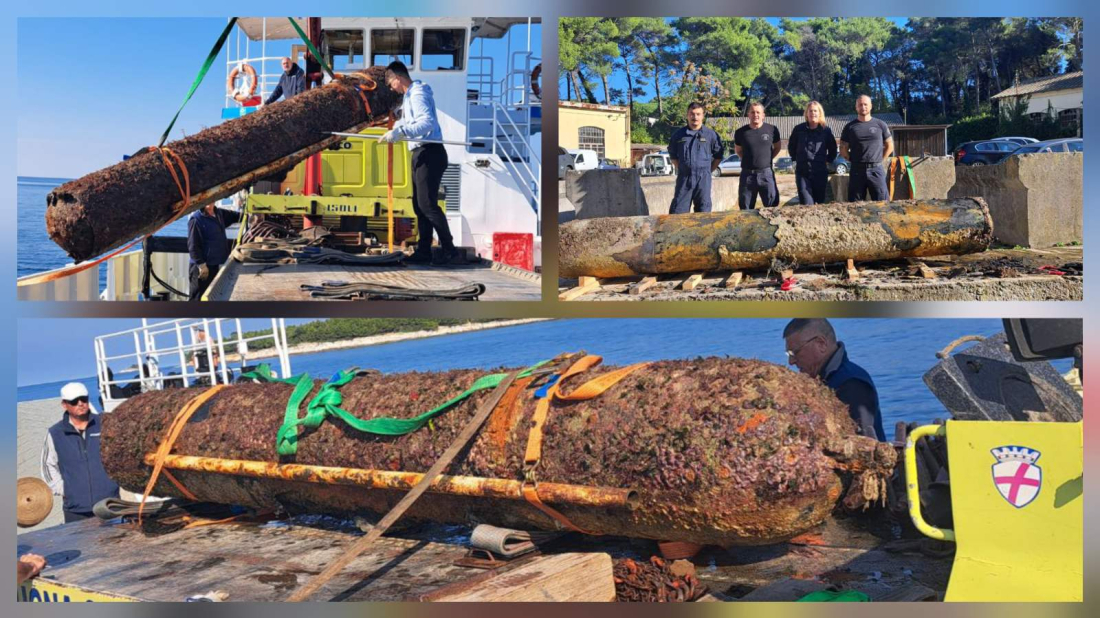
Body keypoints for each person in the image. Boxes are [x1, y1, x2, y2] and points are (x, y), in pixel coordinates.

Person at [380, 61, 457, 265]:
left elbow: (427, 122)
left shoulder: (417, 94)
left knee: (427, 205)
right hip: (420, 153)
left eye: (390, 83)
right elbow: (409, 120)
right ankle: (424, 251)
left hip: (430, 152)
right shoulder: (408, 98)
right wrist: (397, 124)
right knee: (419, 205)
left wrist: (401, 132)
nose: (390, 88)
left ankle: (450, 250)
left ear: (398, 78)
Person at [782, 319, 886, 441]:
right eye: (788, 355)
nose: (791, 362)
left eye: (795, 352)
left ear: (821, 344)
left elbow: (866, 443)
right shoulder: (824, 380)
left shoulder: (852, 383)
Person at [40, 383, 120, 523]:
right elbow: (48, 465)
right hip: (76, 510)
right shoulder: (55, 433)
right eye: (74, 401)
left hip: (110, 505)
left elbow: (121, 454)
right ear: (64, 404)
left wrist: (115, 481)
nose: (81, 403)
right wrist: (65, 490)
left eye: (84, 399)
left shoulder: (105, 423)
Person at [667, 102, 724, 214]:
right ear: (687, 115)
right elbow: (673, 155)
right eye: (692, 114)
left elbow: (718, 156)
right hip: (684, 178)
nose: (695, 117)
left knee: (703, 212)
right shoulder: (679, 135)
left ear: (703, 116)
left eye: (698, 114)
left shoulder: (711, 135)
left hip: (703, 179)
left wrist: (708, 170)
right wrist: (683, 168)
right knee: (678, 212)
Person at [839, 95, 894, 202]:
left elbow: (890, 146)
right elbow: (843, 149)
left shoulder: (880, 124)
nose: (863, 107)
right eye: (860, 105)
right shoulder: (849, 127)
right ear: (856, 107)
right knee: (855, 205)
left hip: (876, 170)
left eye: (865, 104)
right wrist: (852, 160)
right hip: (857, 170)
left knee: (882, 203)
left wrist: (880, 160)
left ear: (871, 106)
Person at [187, 203, 242, 301]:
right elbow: (193, 246)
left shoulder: (219, 213)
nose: (209, 202)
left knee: (211, 297)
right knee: (198, 298)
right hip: (201, 269)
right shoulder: (196, 219)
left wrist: (252, 217)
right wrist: (201, 265)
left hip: (216, 266)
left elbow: (237, 216)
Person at [788, 101, 838, 205]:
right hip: (803, 173)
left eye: (815, 111)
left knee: (819, 203)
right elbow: (791, 146)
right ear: (806, 113)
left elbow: (833, 149)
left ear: (820, 113)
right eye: (810, 111)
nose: (813, 113)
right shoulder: (798, 129)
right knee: (806, 204)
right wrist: (796, 159)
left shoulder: (826, 131)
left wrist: (827, 161)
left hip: (820, 172)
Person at [733, 102, 782, 209]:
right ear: (748, 115)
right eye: (753, 112)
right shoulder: (740, 132)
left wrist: (768, 158)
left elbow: (778, 147)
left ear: (763, 115)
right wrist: (749, 160)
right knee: (745, 209)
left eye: (758, 112)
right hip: (747, 176)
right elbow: (738, 150)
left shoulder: (772, 130)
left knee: (772, 207)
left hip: (766, 174)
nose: (756, 115)